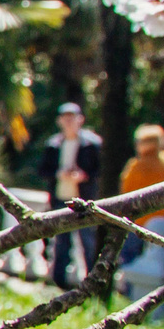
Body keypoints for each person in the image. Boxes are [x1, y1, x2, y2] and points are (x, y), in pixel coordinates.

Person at [38, 101, 101, 287]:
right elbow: (43, 170)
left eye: (72, 119)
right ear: (60, 121)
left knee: (88, 243)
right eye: (65, 119)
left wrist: (83, 176)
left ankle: (93, 283)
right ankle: (59, 283)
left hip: (84, 200)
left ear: (80, 120)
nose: (69, 122)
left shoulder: (91, 144)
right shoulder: (53, 144)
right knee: (61, 244)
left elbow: (99, 171)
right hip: (60, 199)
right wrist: (59, 174)